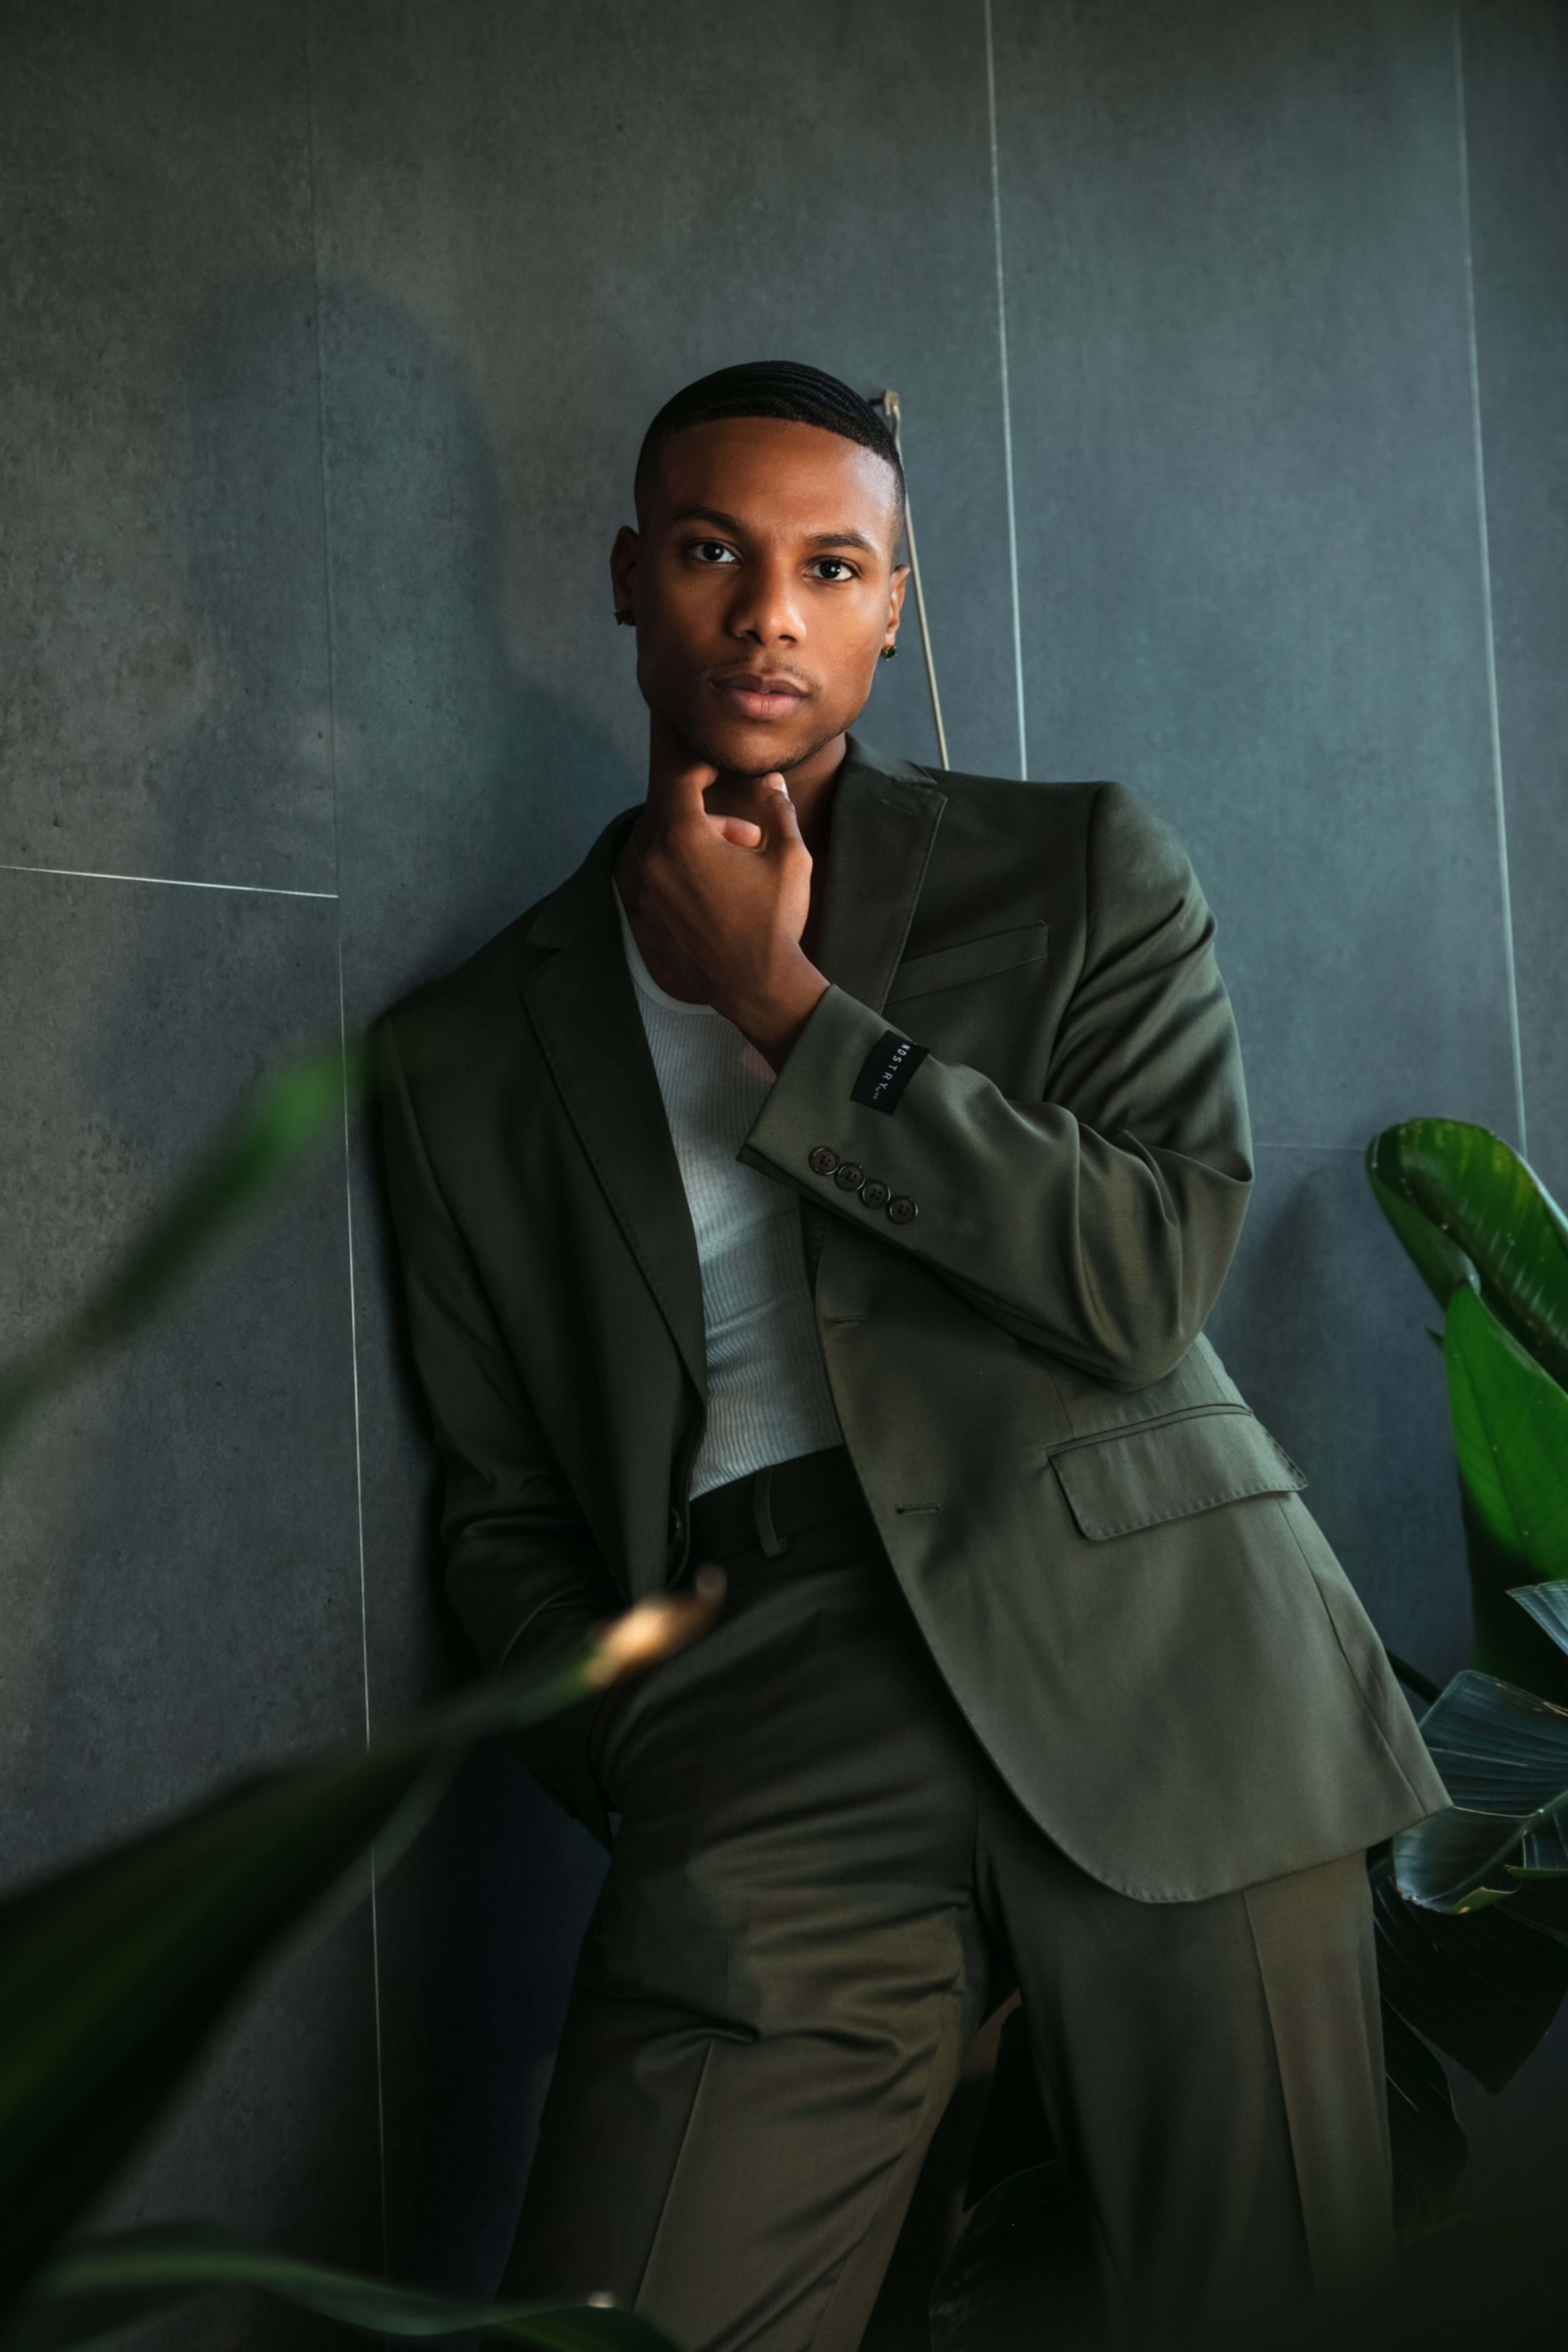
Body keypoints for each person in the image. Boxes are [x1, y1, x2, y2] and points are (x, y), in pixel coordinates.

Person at [377, 361, 1450, 2351]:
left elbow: (1142, 1274)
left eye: (829, 564)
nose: (767, 613)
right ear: (629, 577)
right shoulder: (463, 1058)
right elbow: (500, 1506)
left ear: (892, 604)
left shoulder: (1078, 877)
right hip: (763, 1718)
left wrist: (783, 1006)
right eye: (713, 552)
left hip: (1161, 1670)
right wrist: (643, 1736)